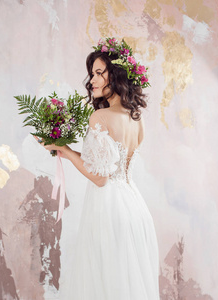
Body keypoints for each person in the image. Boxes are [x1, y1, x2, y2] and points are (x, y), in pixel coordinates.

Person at [36, 38, 160, 300]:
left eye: (99, 73)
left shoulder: (100, 118)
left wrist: (67, 152)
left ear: (115, 76)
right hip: (134, 208)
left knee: (104, 286)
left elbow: (101, 177)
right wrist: (64, 148)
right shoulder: (136, 118)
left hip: (108, 211)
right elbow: (110, 166)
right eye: (92, 73)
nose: (92, 80)